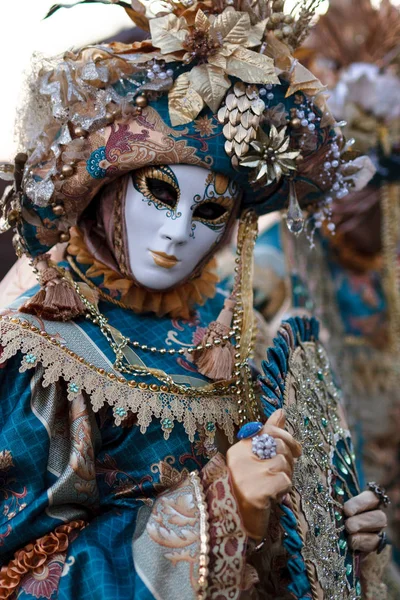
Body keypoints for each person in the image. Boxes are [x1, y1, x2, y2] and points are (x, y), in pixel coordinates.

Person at [0, 1, 388, 598]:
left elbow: (268, 547)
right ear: (104, 189)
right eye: (158, 193)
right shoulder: (43, 356)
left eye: (209, 211)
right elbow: (18, 579)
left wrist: (325, 535)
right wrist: (221, 504)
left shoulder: (236, 332)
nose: (179, 232)